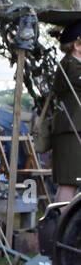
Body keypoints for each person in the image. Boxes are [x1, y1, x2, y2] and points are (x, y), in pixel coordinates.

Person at [48, 19, 81, 203]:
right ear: (77, 45)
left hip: (73, 131)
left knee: (72, 183)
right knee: (69, 183)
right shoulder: (71, 66)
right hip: (71, 132)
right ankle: (59, 228)